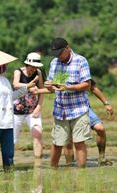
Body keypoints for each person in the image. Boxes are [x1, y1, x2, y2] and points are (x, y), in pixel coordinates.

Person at [0, 48, 36, 173]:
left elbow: (11, 97)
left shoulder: (4, 80)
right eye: (5, 64)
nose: (6, 66)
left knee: (9, 155)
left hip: (7, 121)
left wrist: (27, 87)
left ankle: (8, 178)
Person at [44, 37, 92, 168]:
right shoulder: (54, 62)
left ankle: (81, 173)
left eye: (60, 53)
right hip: (61, 110)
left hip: (79, 109)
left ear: (67, 48)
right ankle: (52, 170)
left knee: (79, 142)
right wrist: (49, 85)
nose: (58, 56)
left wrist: (68, 87)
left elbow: (87, 85)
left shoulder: (80, 61)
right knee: (57, 143)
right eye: (56, 54)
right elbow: (51, 86)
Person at [64, 79, 114, 166]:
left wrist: (106, 103)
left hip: (84, 107)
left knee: (100, 128)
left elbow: (92, 87)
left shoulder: (82, 68)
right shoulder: (59, 69)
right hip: (65, 108)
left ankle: (102, 158)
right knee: (69, 140)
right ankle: (70, 165)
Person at [13, 52, 44, 159]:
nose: (34, 69)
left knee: (38, 133)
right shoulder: (18, 72)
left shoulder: (38, 73)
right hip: (17, 111)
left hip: (32, 110)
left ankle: (38, 161)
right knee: (12, 139)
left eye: (36, 67)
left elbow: (41, 90)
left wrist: (38, 107)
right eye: (32, 67)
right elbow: (15, 84)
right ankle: (8, 161)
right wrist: (28, 86)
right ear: (27, 64)